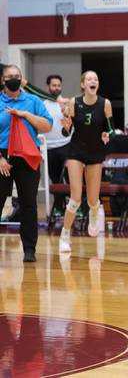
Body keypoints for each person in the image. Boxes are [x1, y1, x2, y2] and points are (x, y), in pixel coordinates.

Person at [0, 65, 53, 262]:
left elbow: (47, 125)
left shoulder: (33, 100)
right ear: (2, 80)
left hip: (27, 154)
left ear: (21, 79)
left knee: (29, 203)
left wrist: (25, 115)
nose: (12, 79)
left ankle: (29, 249)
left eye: (16, 76)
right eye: (8, 76)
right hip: (2, 156)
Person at [58, 71, 114, 254]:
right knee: (75, 197)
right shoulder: (75, 102)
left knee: (92, 200)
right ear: (83, 84)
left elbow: (111, 130)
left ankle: (93, 212)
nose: (93, 81)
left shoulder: (105, 104)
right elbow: (67, 132)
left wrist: (107, 135)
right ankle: (65, 235)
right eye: (89, 79)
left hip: (95, 153)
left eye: (96, 79)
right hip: (76, 151)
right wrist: (66, 128)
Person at [42, 75, 71, 213]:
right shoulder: (43, 105)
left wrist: (65, 109)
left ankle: (76, 208)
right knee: (55, 179)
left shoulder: (67, 103)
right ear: (48, 87)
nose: (56, 88)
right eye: (54, 85)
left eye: (59, 85)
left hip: (66, 145)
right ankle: (59, 208)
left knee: (71, 178)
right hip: (49, 148)